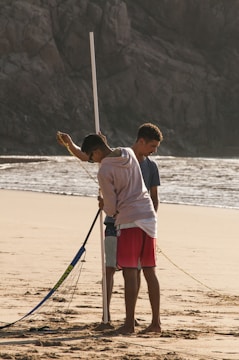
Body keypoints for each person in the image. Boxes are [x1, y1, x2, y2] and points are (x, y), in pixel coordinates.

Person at [56, 124, 163, 327]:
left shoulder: (104, 169)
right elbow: (101, 154)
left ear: (96, 151)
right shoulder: (128, 152)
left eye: (92, 157)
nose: (93, 161)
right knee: (149, 271)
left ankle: (129, 324)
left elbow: (112, 207)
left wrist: (104, 204)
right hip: (148, 217)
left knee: (130, 271)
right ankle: (155, 323)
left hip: (129, 220)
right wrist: (72, 144)